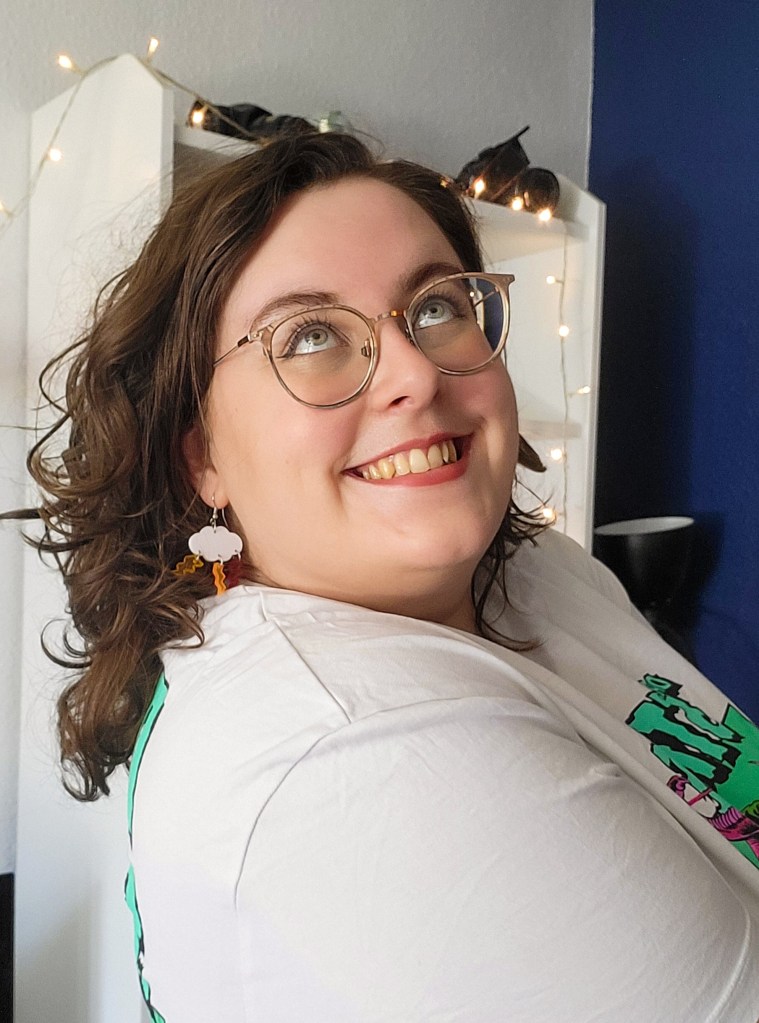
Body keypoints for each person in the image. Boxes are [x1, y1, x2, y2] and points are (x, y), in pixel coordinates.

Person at [26, 131, 759, 1021]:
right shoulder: (349, 756)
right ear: (200, 459)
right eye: (308, 336)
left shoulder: (532, 567)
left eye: (437, 305)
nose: (414, 369)